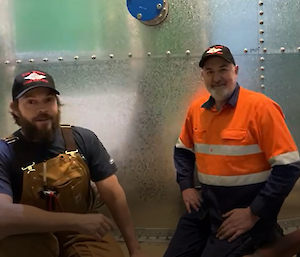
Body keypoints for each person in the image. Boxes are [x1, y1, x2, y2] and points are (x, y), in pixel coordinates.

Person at [163, 45, 300, 257]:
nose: (217, 77)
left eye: (223, 69)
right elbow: (183, 151)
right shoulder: (197, 110)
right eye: (210, 72)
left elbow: (288, 166)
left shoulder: (261, 108)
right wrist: (186, 186)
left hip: (244, 211)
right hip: (207, 207)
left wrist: (254, 212)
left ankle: (267, 234)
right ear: (203, 76)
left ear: (235, 71)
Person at [0, 70, 147, 257]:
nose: (42, 109)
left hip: (81, 232)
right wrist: (73, 221)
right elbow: (2, 216)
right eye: (31, 102)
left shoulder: (82, 139)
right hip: (27, 235)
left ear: (57, 105)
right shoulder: (4, 153)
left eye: (48, 100)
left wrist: (135, 249)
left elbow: (113, 194)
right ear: (15, 108)